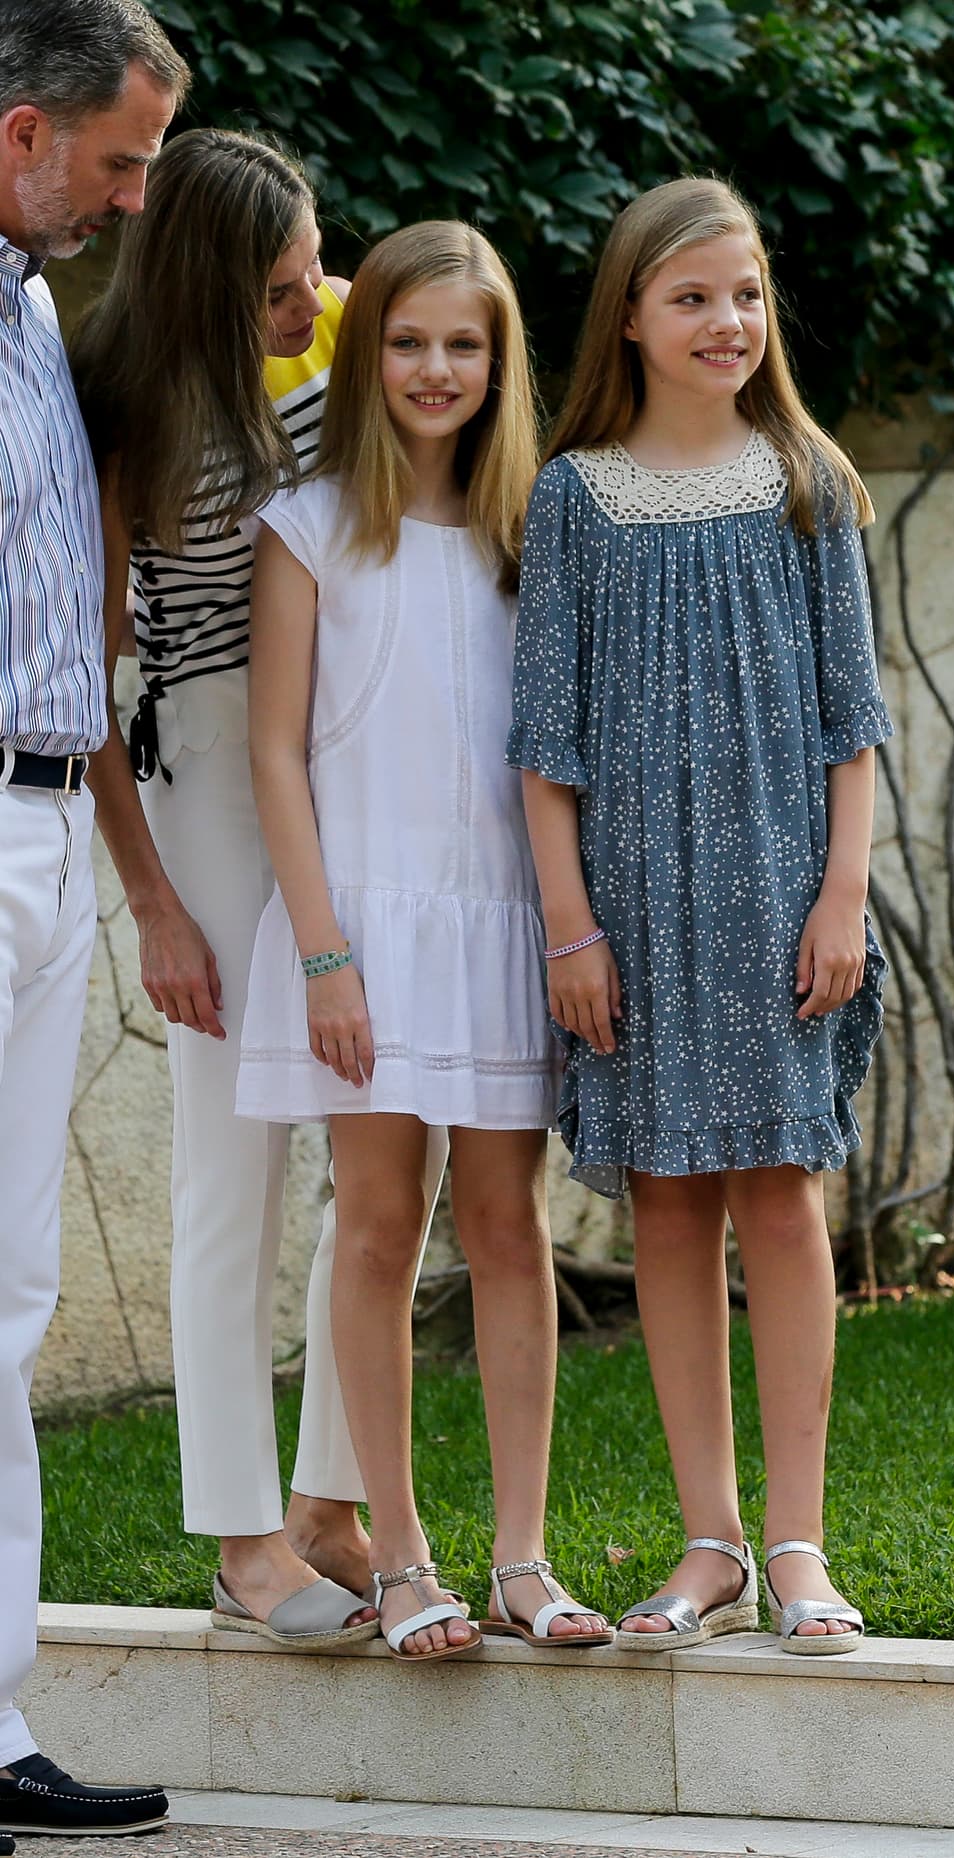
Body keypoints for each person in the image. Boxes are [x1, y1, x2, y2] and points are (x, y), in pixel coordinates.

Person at [509, 176, 892, 1655]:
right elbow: (547, 743)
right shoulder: (574, 496)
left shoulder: (807, 479)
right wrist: (568, 928)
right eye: (692, 298)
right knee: (667, 1202)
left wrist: (841, 891)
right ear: (631, 316)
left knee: (783, 1196)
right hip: (634, 913)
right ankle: (710, 1540)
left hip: (787, 901)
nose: (727, 321)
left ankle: (797, 1539)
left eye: (745, 294)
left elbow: (852, 723)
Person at [72, 128, 430, 1645]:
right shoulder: (127, 407)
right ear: (220, 286)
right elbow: (81, 671)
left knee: (382, 1146)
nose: (314, 299)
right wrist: (149, 898)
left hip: (349, 753)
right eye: (283, 284)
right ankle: (238, 1536)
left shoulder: (336, 330)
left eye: (314, 269)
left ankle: (333, 1507)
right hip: (209, 761)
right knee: (233, 1156)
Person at [237, 220, 611, 1659]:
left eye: (465, 343)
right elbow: (276, 753)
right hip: (367, 931)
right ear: (367, 348)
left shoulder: (538, 533)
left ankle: (522, 1557)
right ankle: (399, 1555)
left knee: (510, 1227)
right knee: (381, 1224)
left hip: (506, 920)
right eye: (406, 340)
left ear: (501, 359)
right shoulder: (309, 524)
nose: (435, 368)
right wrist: (324, 951)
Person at [0, 0, 186, 1837]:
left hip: (50, 822)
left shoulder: (37, 314)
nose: (134, 198)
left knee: (13, 1292)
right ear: (18, 132)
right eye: (119, 158)